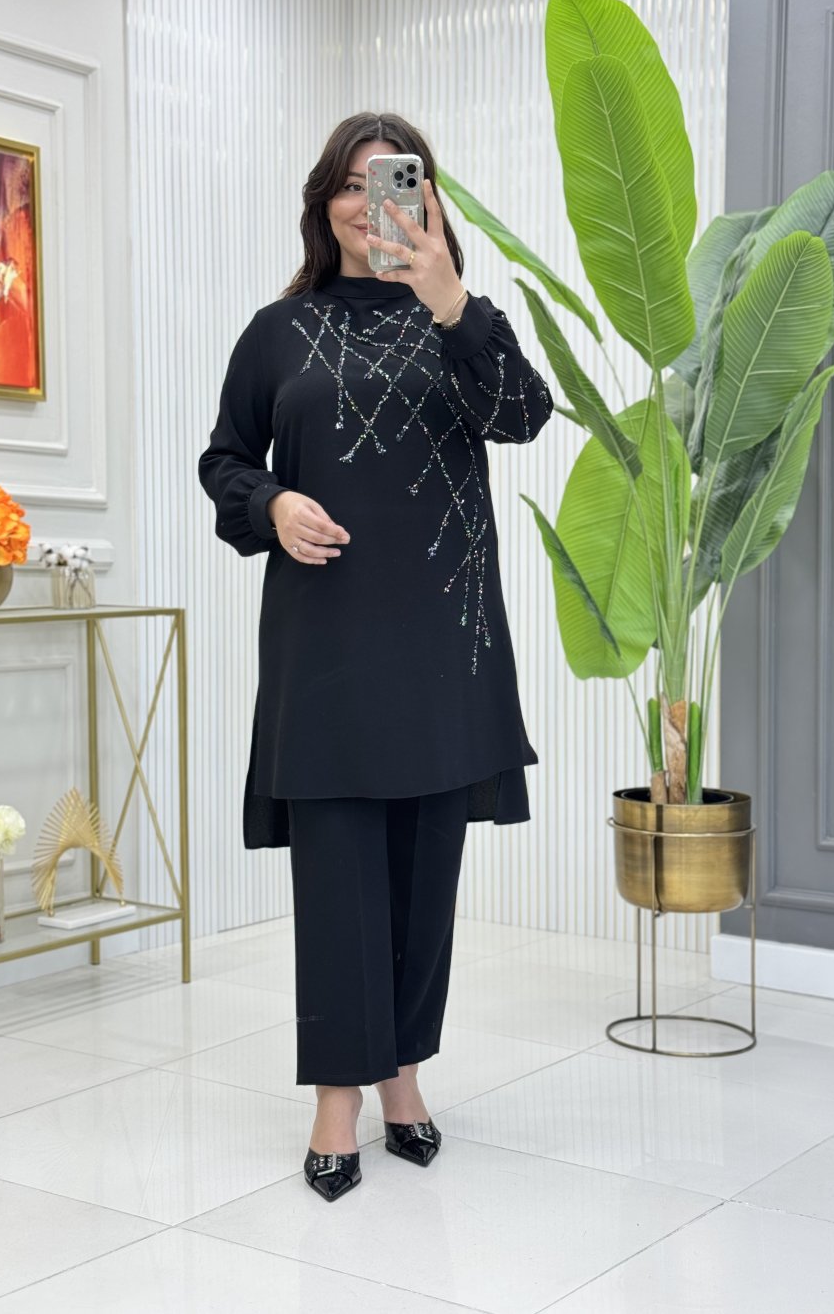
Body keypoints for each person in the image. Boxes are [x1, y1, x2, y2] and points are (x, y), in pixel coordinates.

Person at [198, 112, 553, 1202]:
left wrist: (449, 296)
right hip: (327, 641)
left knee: (423, 875)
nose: (370, 205)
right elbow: (223, 461)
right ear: (325, 203)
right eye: (351, 185)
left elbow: (523, 417)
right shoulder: (277, 331)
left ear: (427, 201)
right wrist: (273, 502)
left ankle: (402, 1073)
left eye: (394, 184)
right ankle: (336, 1098)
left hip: (445, 637)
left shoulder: (462, 320)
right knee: (338, 871)